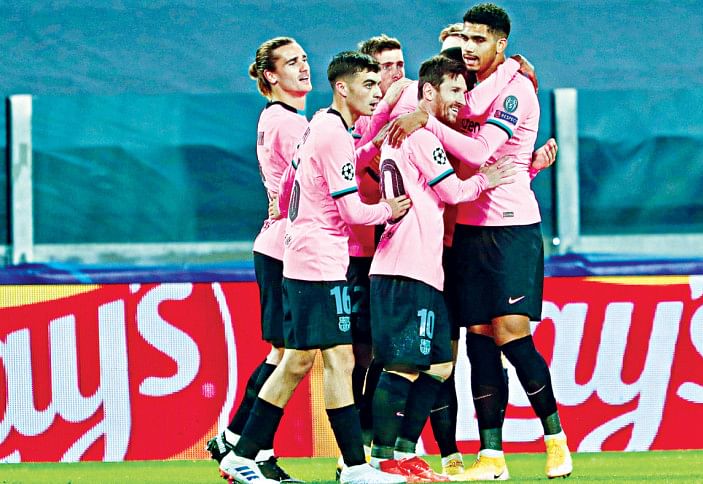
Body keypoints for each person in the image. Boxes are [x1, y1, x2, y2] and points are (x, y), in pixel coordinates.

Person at [388, 3, 572, 480]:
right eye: (465, 39)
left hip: (511, 227)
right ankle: (491, 456)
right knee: (480, 342)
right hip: (467, 228)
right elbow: (448, 111)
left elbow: (479, 150)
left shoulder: (516, 91)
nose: (469, 49)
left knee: (512, 333)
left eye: (478, 40)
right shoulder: (470, 90)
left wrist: (425, 120)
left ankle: (556, 441)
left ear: (501, 43)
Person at [219, 51, 411, 484]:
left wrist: (286, 209)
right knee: (304, 362)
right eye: (368, 85)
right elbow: (351, 211)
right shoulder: (330, 133)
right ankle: (245, 454)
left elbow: (290, 181)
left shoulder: (321, 125)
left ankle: (344, 466)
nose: (376, 93)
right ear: (342, 87)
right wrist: (390, 208)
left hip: (311, 257)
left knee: (319, 359)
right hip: (316, 262)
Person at [367, 54, 516, 482]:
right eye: (454, 90)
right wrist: (488, 178)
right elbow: (452, 191)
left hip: (421, 269)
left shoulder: (404, 132)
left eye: (465, 91)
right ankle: (381, 460)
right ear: (428, 91)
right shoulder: (419, 135)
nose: (462, 100)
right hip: (405, 267)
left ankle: (403, 452)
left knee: (438, 366)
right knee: (402, 366)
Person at [206, 36, 309, 483]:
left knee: (283, 354)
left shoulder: (276, 117)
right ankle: (251, 451)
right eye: (292, 61)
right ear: (271, 75)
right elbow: (305, 183)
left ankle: (235, 440)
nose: (303, 66)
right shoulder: (289, 123)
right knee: (292, 356)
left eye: (304, 58)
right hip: (287, 247)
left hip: (275, 242)